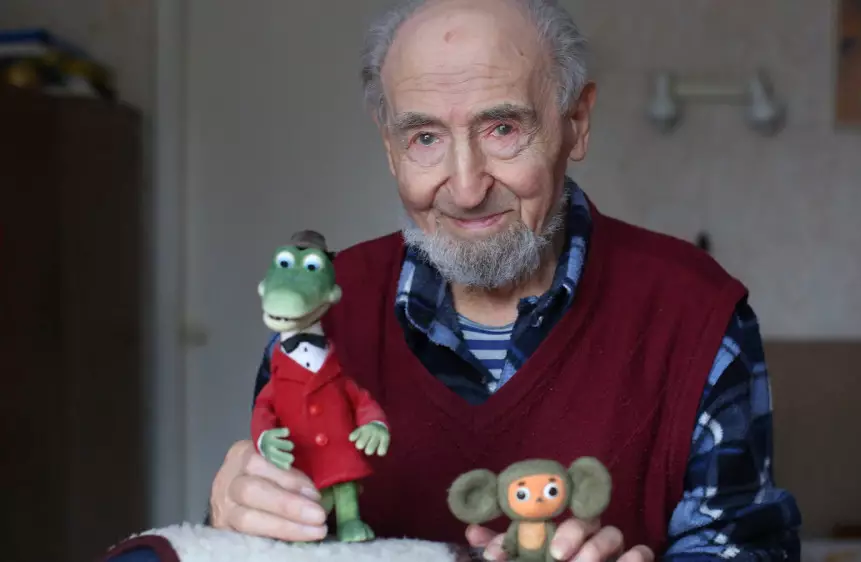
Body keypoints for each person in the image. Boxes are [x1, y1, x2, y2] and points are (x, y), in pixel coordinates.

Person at [111, 0, 802, 561]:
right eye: (425, 138)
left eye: (502, 128)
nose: (466, 188)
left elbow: (746, 548)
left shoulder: (698, 312)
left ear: (576, 123)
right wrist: (229, 520)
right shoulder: (322, 318)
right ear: (390, 147)